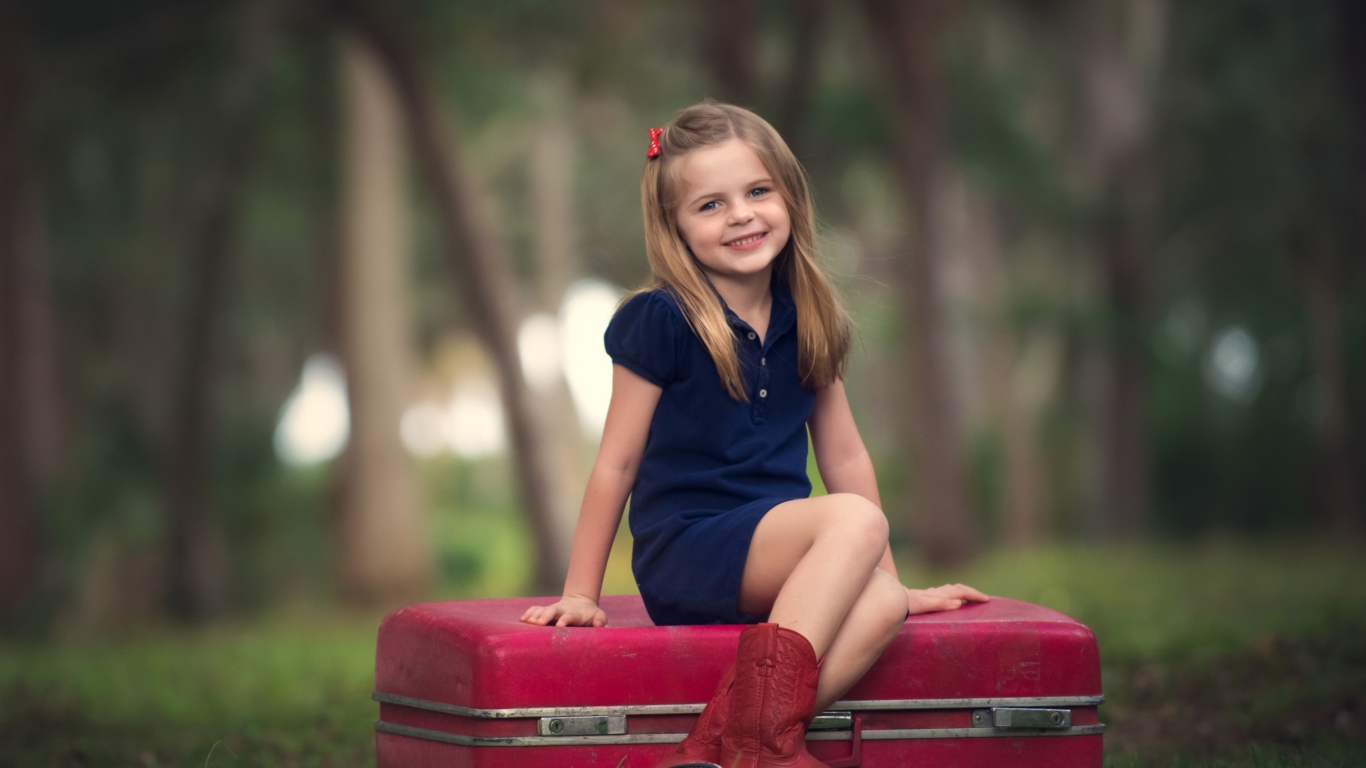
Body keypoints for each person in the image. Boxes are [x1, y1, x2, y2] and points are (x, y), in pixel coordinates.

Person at [519, 101, 988, 768]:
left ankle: (723, 743)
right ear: (675, 227)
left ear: (790, 197)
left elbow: (846, 458)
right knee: (854, 520)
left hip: (779, 553)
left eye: (757, 191)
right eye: (709, 205)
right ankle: (763, 745)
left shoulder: (810, 319)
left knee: (882, 602)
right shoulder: (661, 320)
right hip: (690, 551)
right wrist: (580, 592)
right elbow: (616, 465)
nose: (740, 214)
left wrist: (890, 581)